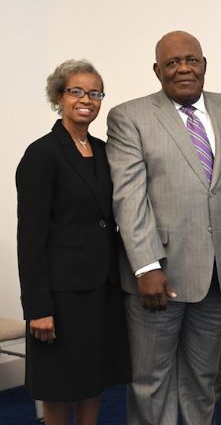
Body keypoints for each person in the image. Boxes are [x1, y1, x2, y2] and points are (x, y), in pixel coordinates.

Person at [106, 31, 221, 425]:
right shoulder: (128, 116)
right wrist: (147, 266)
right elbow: (129, 197)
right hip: (159, 275)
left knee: (205, 379)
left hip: (218, 275)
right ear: (157, 71)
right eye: (172, 63)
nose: (183, 68)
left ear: (205, 64)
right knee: (151, 380)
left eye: (191, 60)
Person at [16, 60, 130, 425]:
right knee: (59, 381)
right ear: (59, 96)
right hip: (60, 294)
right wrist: (37, 307)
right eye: (76, 91)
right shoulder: (42, 154)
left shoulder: (104, 150)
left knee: (93, 377)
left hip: (102, 287)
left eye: (95, 93)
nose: (87, 99)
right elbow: (31, 237)